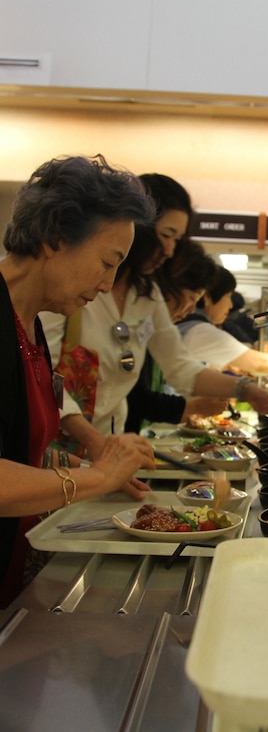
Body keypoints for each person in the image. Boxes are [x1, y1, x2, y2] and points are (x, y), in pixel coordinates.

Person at [0, 154, 157, 606]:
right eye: (107, 263)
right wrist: (98, 478)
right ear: (55, 238)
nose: (109, 284)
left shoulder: (30, 323)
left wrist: (95, 467)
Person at [40, 224, 268, 455]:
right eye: (167, 235)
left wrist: (245, 388)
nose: (169, 249)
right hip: (58, 449)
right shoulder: (72, 291)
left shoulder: (146, 297)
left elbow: (181, 368)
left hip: (110, 442)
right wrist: (92, 439)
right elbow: (43, 378)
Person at [124, 238, 224, 433]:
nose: (191, 309)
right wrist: (196, 406)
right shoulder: (135, 322)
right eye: (191, 298)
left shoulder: (156, 327)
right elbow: (137, 397)